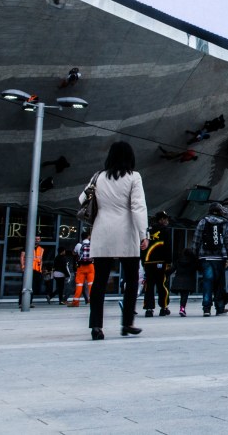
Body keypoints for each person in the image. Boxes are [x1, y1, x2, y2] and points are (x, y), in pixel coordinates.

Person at [80, 141, 148, 340]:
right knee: (132, 279)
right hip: (127, 232)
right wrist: (143, 234)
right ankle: (127, 323)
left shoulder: (98, 177)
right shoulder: (134, 177)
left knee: (99, 281)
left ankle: (96, 326)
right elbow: (137, 207)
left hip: (102, 231)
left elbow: (81, 200)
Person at [192, 203, 228, 316]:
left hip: (205, 257)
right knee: (219, 284)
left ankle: (206, 308)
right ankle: (219, 307)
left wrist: (195, 253)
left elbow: (196, 239)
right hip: (220, 258)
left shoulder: (203, 221)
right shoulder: (225, 223)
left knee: (207, 282)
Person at [142, 211, 173, 317]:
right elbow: (168, 247)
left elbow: (143, 247)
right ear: (162, 219)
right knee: (162, 285)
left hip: (148, 262)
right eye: (166, 219)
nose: (167, 221)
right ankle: (164, 307)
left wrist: (143, 261)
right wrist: (169, 262)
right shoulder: (165, 230)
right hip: (161, 262)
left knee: (149, 286)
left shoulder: (147, 230)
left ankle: (149, 309)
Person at [170, 247, 198, 317]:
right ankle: (182, 308)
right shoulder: (193, 261)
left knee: (182, 295)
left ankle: (182, 308)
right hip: (188, 282)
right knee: (184, 296)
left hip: (178, 281)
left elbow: (172, 269)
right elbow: (199, 268)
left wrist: (165, 274)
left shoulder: (179, 260)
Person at [68, 230, 93, 307]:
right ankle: (92, 301)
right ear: (88, 236)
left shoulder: (79, 245)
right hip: (91, 266)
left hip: (81, 267)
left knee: (79, 284)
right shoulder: (92, 244)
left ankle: (75, 302)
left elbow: (74, 253)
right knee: (91, 284)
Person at [18, 236, 44, 308]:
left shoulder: (41, 249)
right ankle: (21, 303)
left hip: (37, 270)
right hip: (28, 270)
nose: (37, 240)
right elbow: (22, 256)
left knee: (32, 287)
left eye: (38, 239)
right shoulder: (27, 247)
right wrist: (23, 266)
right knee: (24, 286)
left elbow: (41, 260)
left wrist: (40, 269)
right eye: (35, 239)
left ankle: (29, 302)